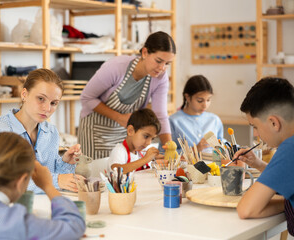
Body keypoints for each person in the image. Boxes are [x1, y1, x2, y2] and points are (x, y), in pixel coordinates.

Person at [0, 68, 85, 193]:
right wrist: (57, 180)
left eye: (54, 103)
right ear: (24, 94)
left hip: (43, 205)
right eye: (41, 99)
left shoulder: (51, 132)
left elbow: (52, 174)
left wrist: (66, 163)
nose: (47, 108)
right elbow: (2, 181)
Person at [78, 31, 176, 159]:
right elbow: (87, 98)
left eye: (167, 64)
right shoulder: (116, 67)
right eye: (159, 61)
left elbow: (161, 115)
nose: (162, 68)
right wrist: (119, 118)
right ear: (145, 53)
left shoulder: (160, 79)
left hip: (123, 132)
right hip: (95, 131)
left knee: (121, 173)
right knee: (96, 174)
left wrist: (170, 148)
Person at [235, 77, 294, 235]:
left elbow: (246, 210)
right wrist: (259, 164)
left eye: (255, 126)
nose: (256, 134)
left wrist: (285, 200)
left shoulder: (290, 147)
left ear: (274, 122)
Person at [160, 75, 224, 152]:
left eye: (208, 100)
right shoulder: (173, 121)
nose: (205, 105)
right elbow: (163, 153)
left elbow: (222, 144)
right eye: (200, 100)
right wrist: (194, 150)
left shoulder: (214, 120)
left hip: (213, 163)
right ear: (187, 97)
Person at [107, 108, 161, 174]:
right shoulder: (119, 150)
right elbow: (116, 170)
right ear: (130, 131)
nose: (149, 143)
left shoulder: (141, 152)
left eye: (152, 139)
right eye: (146, 136)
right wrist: (145, 159)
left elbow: (155, 158)